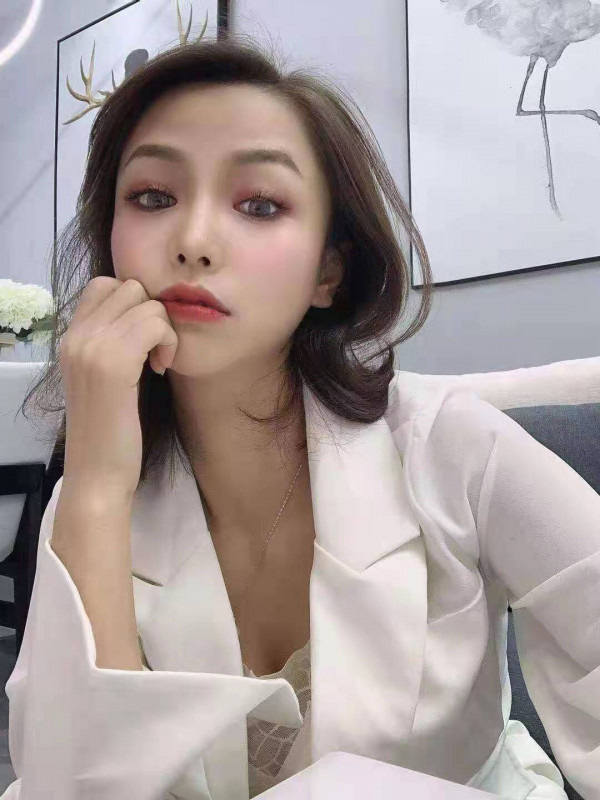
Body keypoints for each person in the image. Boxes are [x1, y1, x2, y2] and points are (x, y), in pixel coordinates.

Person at [5, 33, 599, 800]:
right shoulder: (93, 494)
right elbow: (73, 784)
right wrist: (92, 483)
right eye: (152, 197)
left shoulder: (452, 444)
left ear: (328, 270)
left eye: (260, 204)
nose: (193, 242)